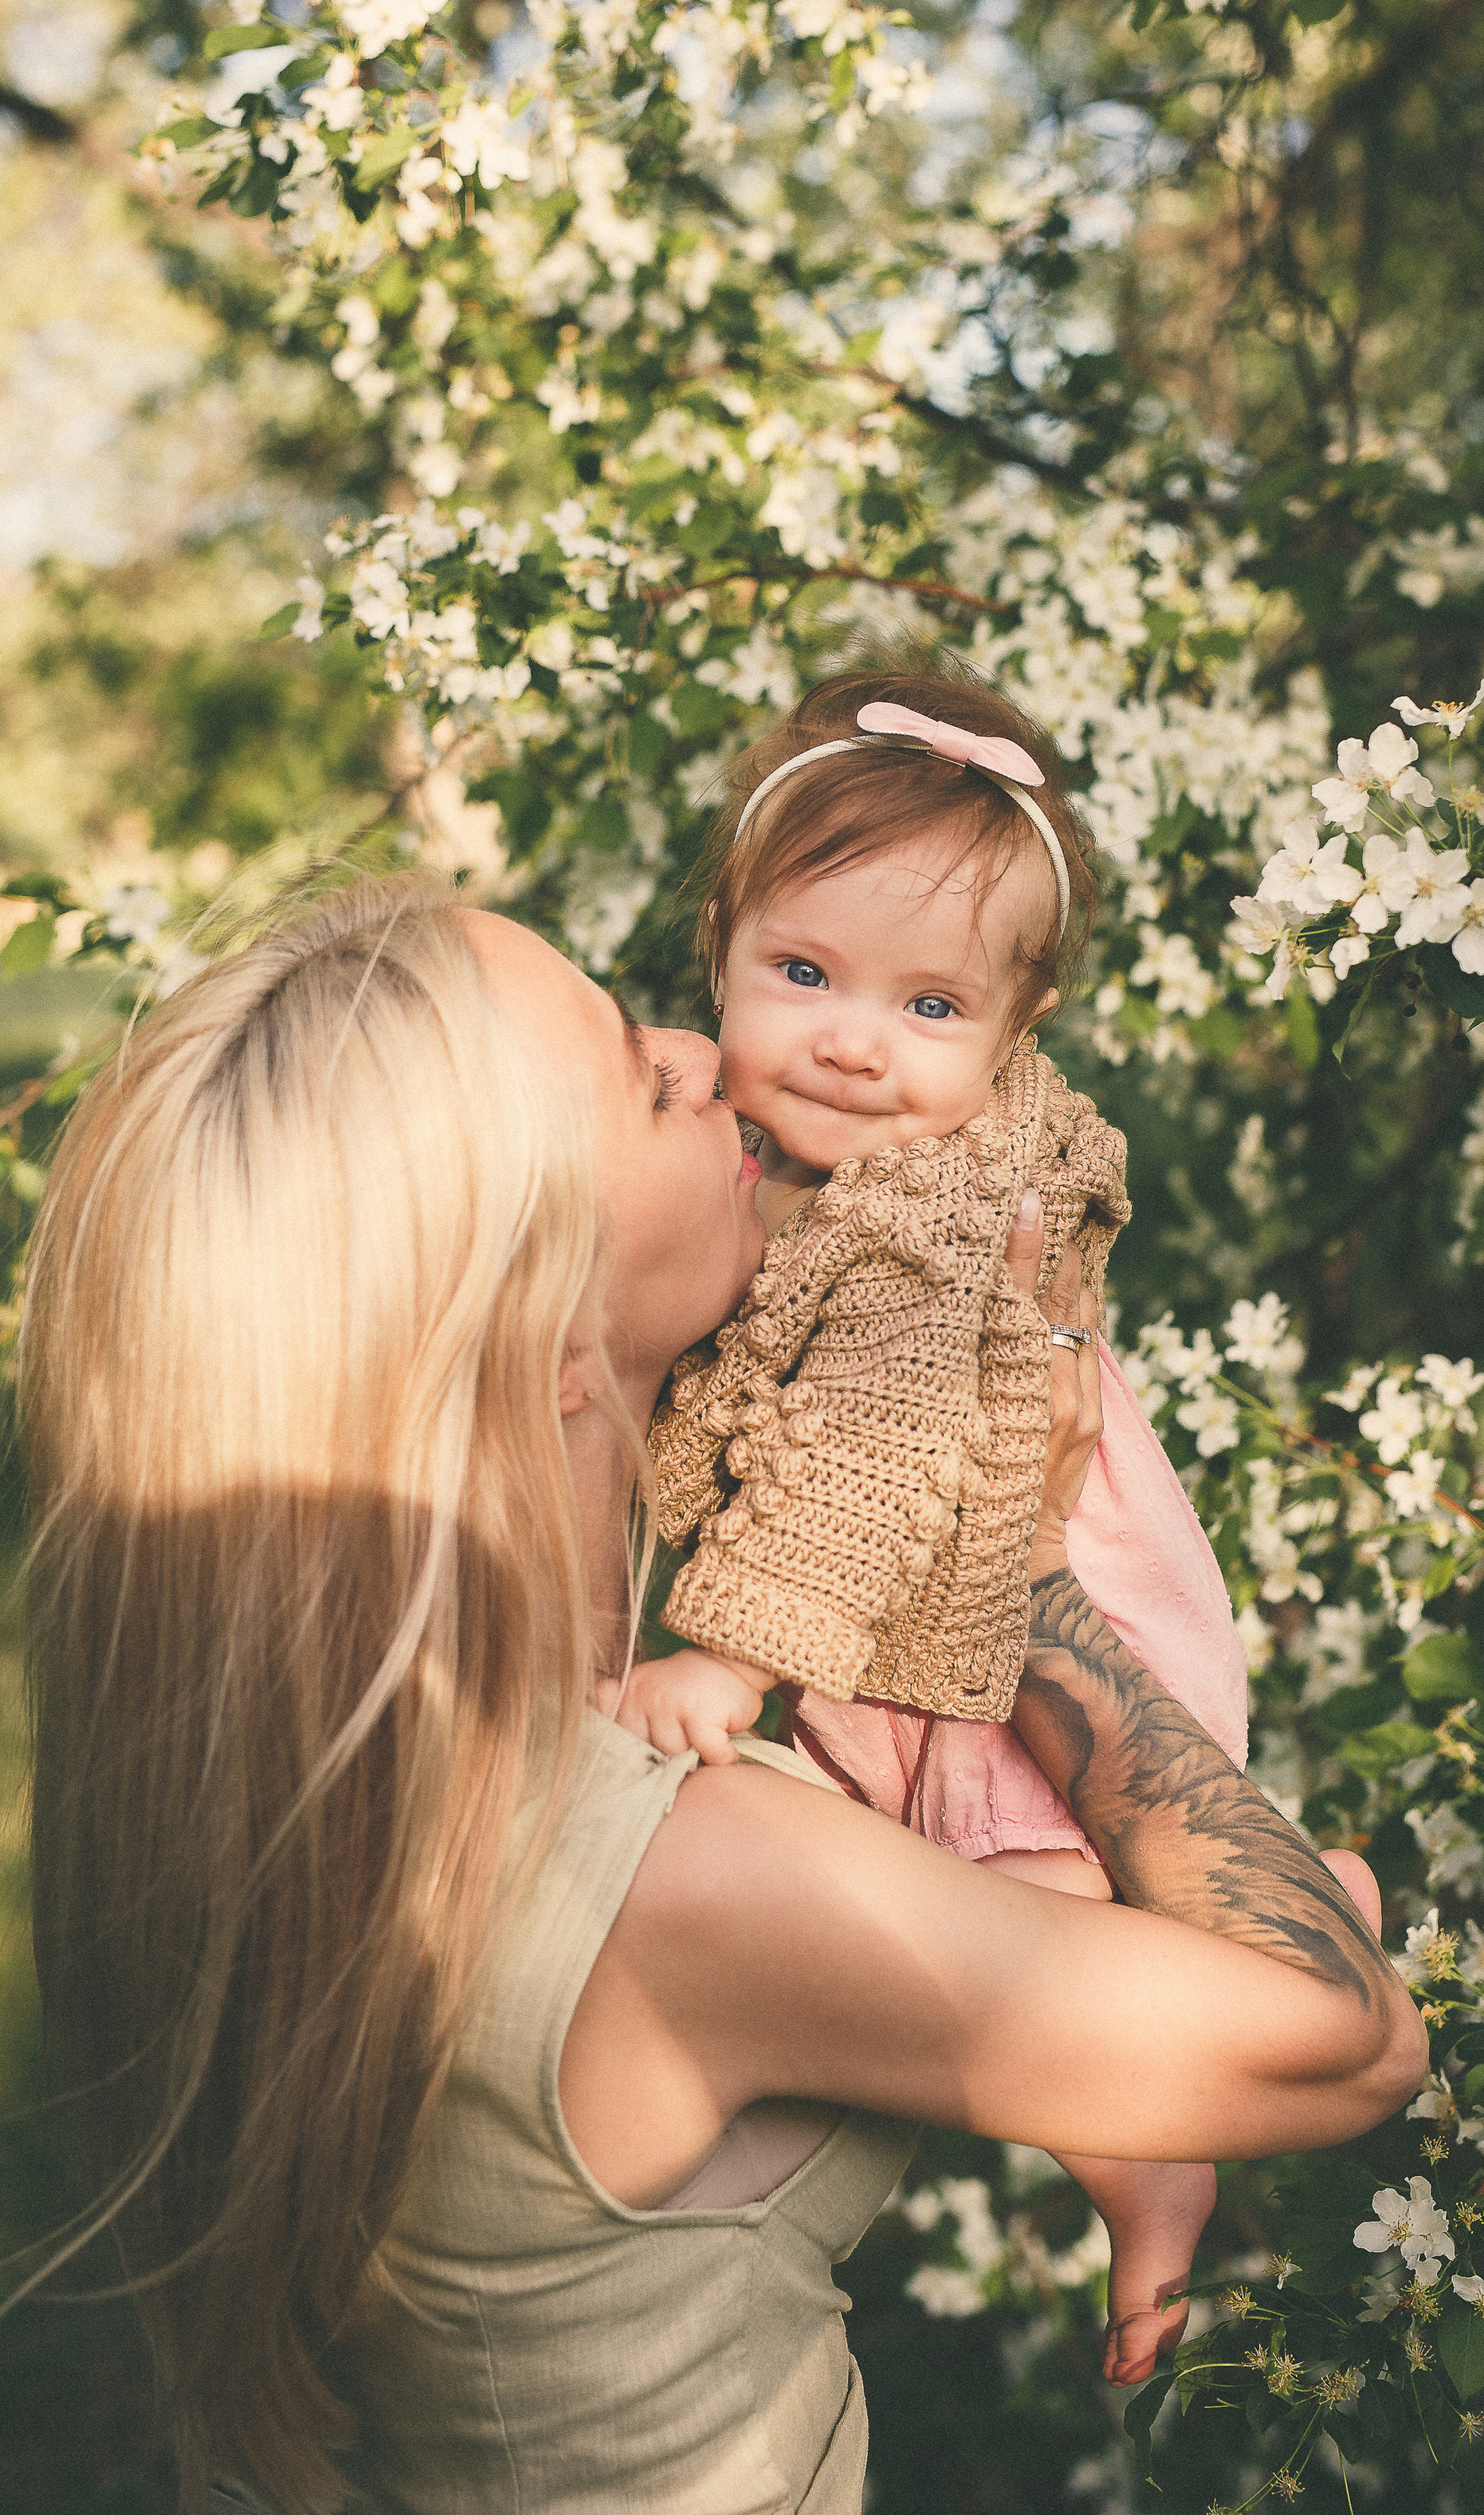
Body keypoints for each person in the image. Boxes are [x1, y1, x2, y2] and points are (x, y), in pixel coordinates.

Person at [23, 876, 1423, 2515]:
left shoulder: (275, 1776)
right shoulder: (675, 1883)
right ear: (536, 1335)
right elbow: (1346, 2039)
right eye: (645, 1079)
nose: (706, 1051)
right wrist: (1009, 1562)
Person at [607, 668, 1279, 2377]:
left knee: (1021, 1906)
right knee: (949, 1888)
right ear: (724, 941)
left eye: (927, 1009)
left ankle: (1157, 2162)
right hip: (914, 1569)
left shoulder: (931, 1200)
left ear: (1012, 1030)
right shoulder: (813, 1142)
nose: (848, 1040)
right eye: (805, 974)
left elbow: (867, 1445)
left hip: (984, 1555)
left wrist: (727, 1653)